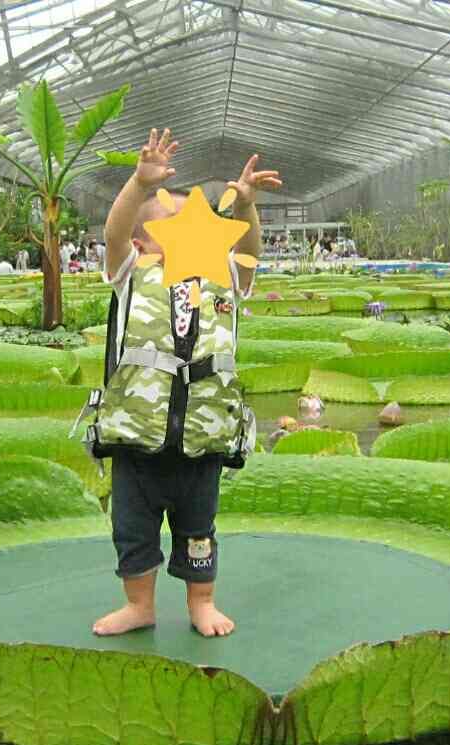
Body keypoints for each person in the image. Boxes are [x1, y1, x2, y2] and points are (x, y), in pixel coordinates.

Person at [89, 127, 280, 639]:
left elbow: (250, 249)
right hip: (138, 439)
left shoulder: (224, 278)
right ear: (143, 241)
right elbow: (113, 233)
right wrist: (139, 185)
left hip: (202, 436)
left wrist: (246, 206)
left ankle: (203, 602)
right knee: (132, 530)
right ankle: (139, 605)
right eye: (172, 218)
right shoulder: (130, 274)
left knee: (199, 529)